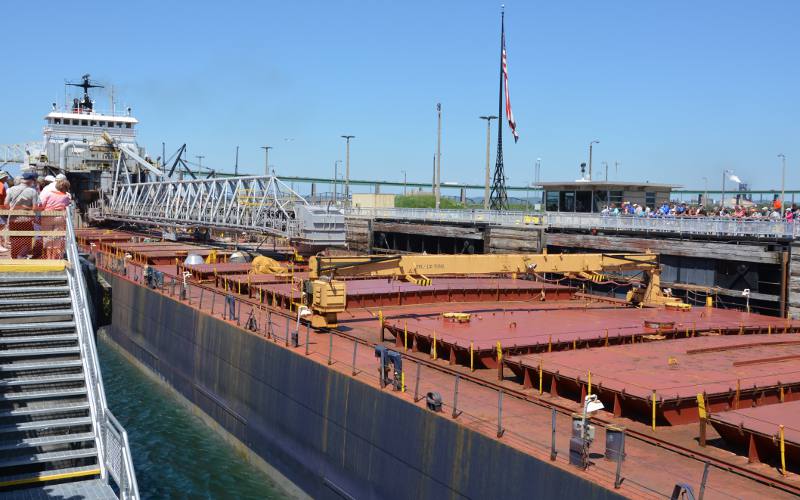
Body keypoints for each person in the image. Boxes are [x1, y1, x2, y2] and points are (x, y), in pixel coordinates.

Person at [6, 172, 39, 258]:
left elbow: (5, 204)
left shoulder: (11, 189)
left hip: (13, 218)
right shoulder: (32, 191)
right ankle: (21, 255)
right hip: (26, 219)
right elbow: (35, 208)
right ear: (31, 181)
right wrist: (25, 207)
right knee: (27, 238)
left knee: (14, 238)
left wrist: (13, 207)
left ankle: (14, 256)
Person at [40, 179, 71, 259]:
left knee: (47, 237)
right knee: (57, 237)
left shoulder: (48, 194)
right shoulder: (66, 196)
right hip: (59, 217)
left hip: (47, 216)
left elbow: (42, 205)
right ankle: (54, 257)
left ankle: (48, 257)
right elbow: (67, 206)